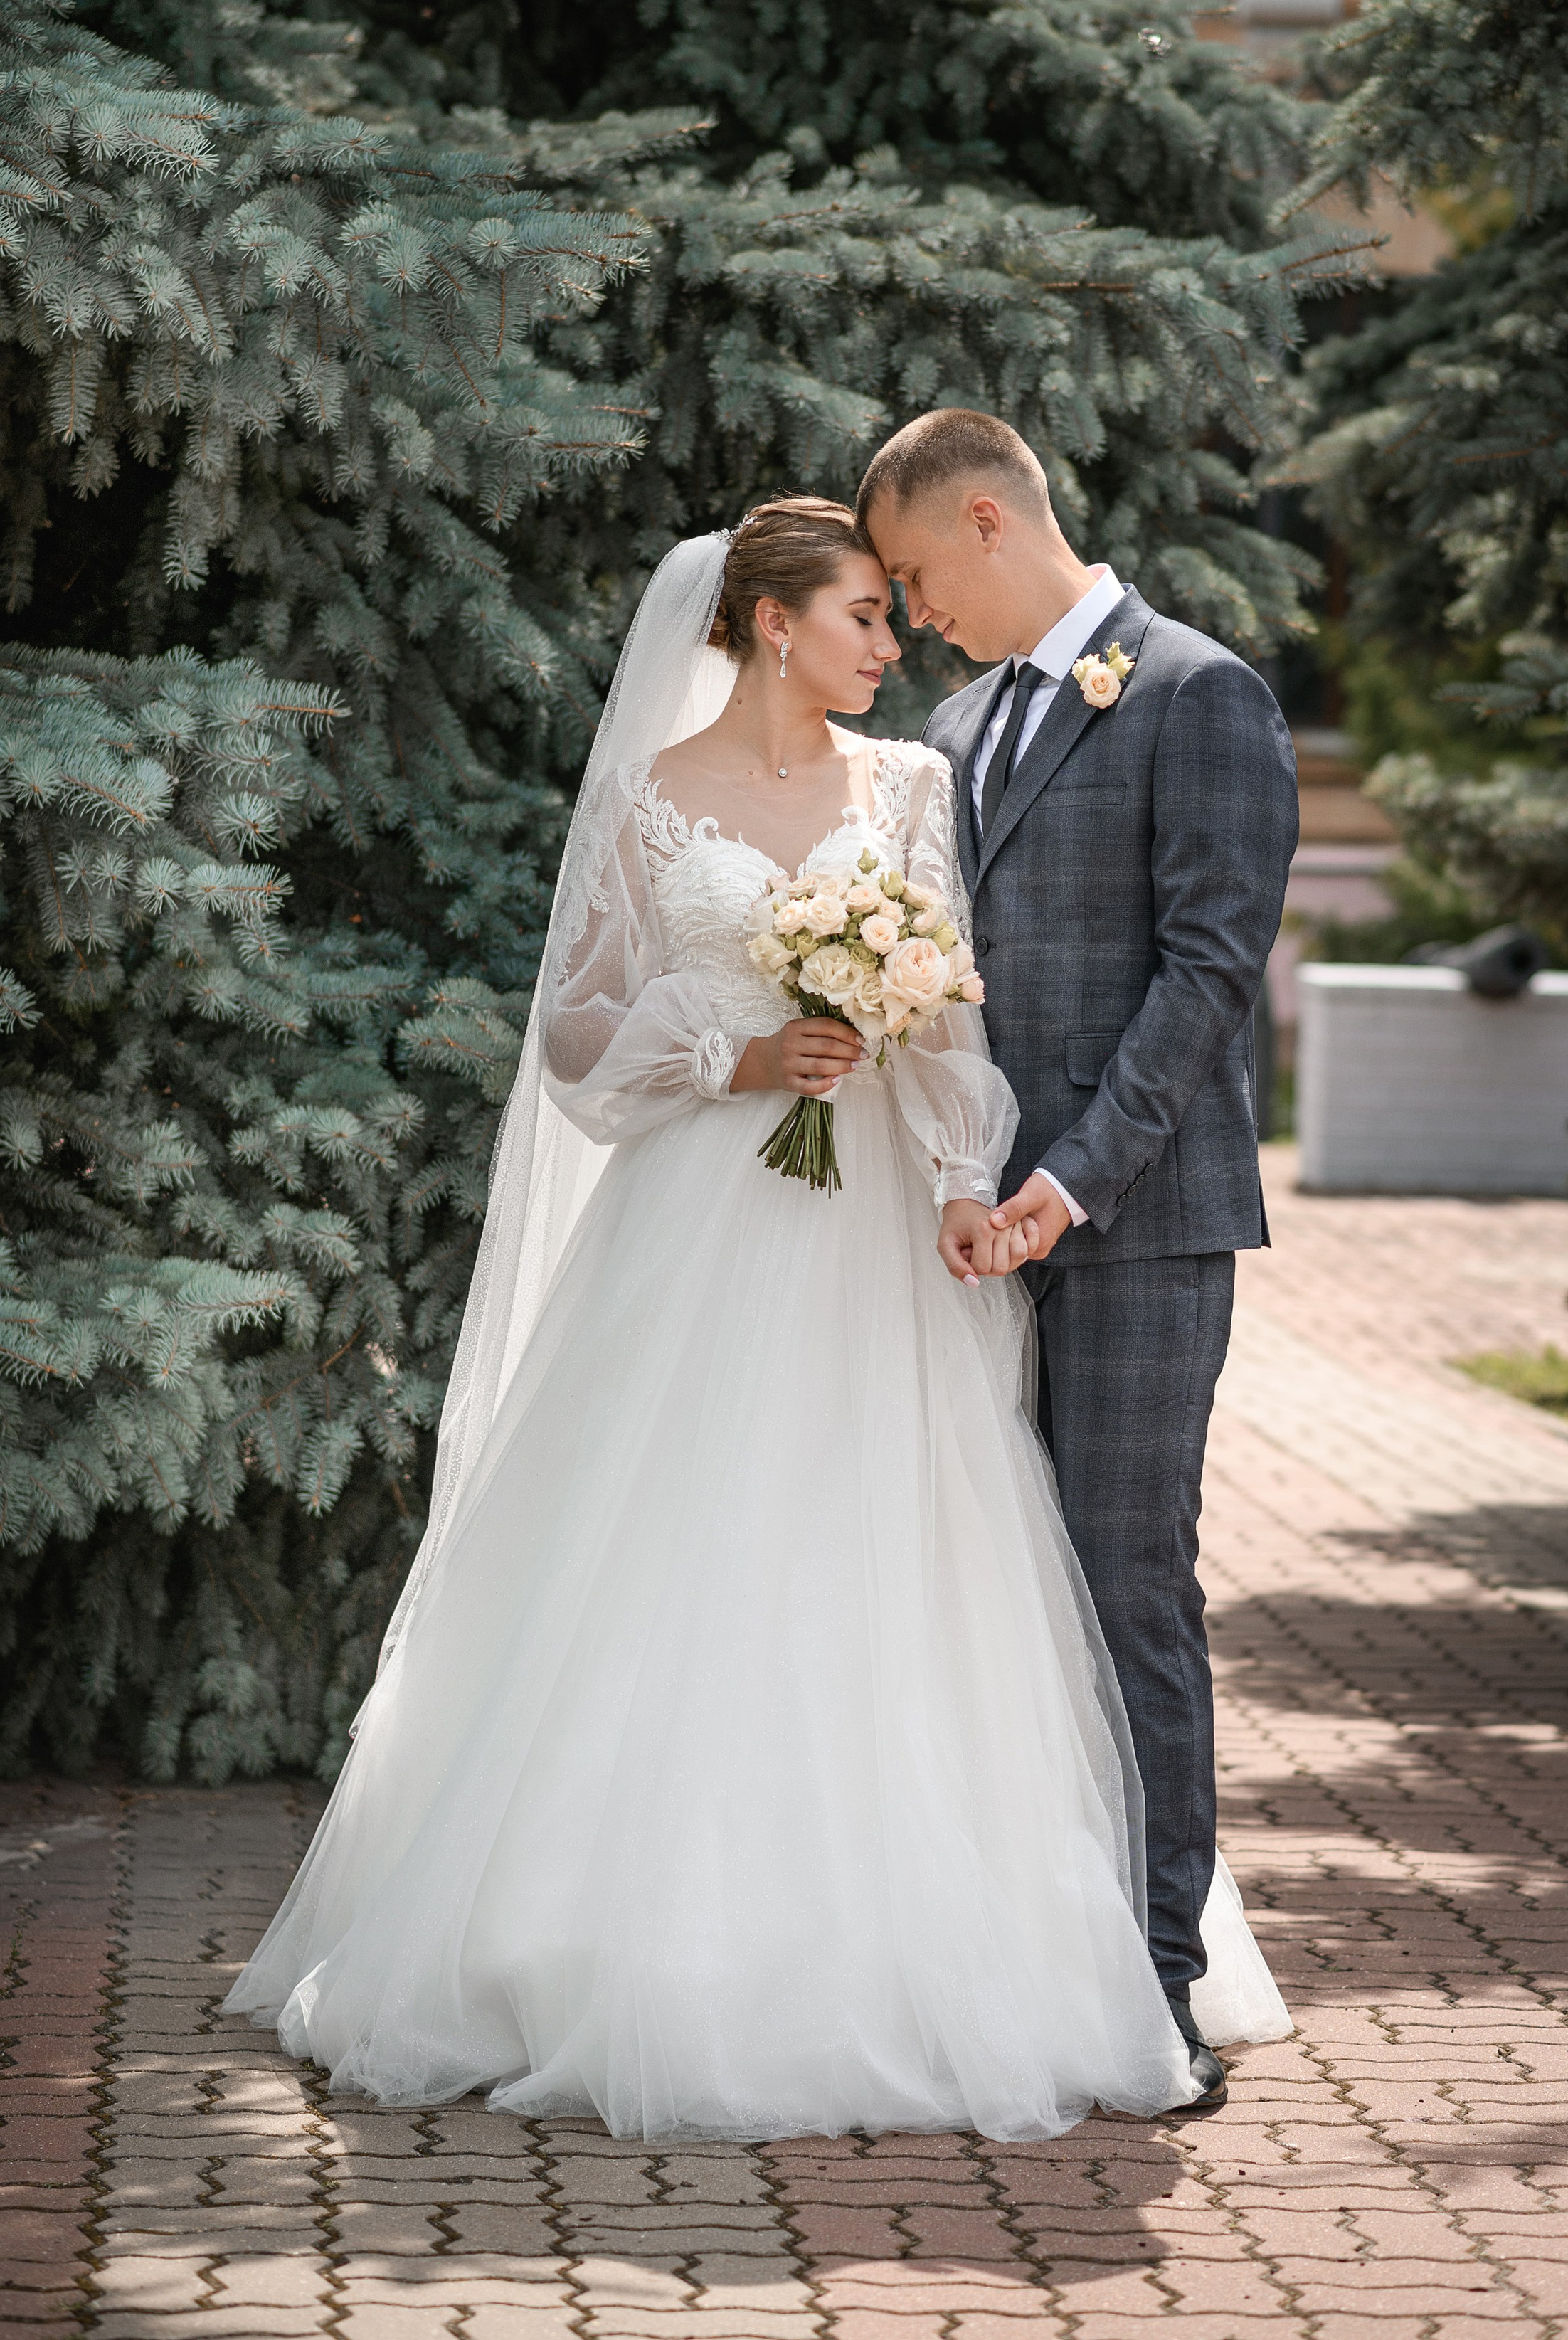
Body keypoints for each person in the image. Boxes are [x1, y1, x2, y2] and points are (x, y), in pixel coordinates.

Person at [226, 497, 1288, 2142]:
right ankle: (631, 1934)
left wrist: (957, 1176)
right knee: (685, 1541)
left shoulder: (915, 781)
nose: (895, 640)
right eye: (863, 613)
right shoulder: (654, 800)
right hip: (705, 1220)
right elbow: (575, 1043)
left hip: (873, 1229)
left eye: (896, 604)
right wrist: (728, 1056)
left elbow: (939, 1015)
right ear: (771, 623)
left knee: (896, 1551)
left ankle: (969, 1939)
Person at [858, 411, 1301, 2115]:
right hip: (971, 1231)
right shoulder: (958, 725)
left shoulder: (1198, 694)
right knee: (992, 1598)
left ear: (986, 518)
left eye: (912, 576)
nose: (908, 619)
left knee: (1123, 1585)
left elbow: (1204, 977)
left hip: (1134, 1223)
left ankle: (1153, 1984)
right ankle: (1011, 1956)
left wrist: (1067, 1184)